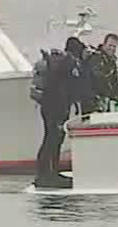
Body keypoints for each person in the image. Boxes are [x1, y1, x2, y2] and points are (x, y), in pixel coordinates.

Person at [33, 36, 87, 188]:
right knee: (52, 140)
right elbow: (64, 88)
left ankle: (48, 173)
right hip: (56, 107)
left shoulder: (61, 63)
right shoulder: (68, 64)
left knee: (52, 139)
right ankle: (47, 175)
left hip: (49, 106)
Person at [83, 32, 118, 114]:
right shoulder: (95, 58)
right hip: (93, 100)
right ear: (104, 44)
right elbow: (98, 78)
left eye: (114, 46)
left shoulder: (111, 61)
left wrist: (117, 95)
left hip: (105, 100)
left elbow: (114, 81)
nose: (112, 48)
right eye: (110, 45)